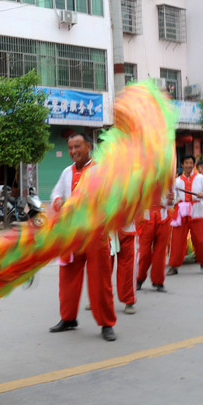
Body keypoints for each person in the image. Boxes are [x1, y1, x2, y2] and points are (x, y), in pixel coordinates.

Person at [49, 133, 117, 342]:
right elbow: (56, 193)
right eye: (70, 148)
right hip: (72, 233)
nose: (73, 151)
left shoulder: (101, 171)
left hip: (96, 232)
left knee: (100, 280)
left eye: (77, 146)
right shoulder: (66, 172)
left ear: (88, 146)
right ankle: (68, 318)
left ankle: (106, 323)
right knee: (67, 277)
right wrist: (58, 200)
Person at [168, 155, 203, 275]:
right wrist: (172, 200)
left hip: (197, 211)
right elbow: (173, 198)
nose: (188, 165)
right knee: (177, 240)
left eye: (190, 163)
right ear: (182, 165)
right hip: (181, 213)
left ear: (193, 165)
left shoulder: (201, 178)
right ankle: (174, 266)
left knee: (200, 240)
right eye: (186, 163)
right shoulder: (177, 181)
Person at [136, 189, 174, 292]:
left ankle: (158, 281)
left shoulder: (168, 181)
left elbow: (175, 200)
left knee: (160, 252)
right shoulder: (141, 180)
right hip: (146, 219)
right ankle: (139, 279)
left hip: (163, 218)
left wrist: (170, 201)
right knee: (144, 253)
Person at [112, 223, 137, 314]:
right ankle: (97, 299)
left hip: (126, 228)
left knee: (127, 267)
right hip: (105, 228)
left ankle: (129, 301)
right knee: (102, 268)